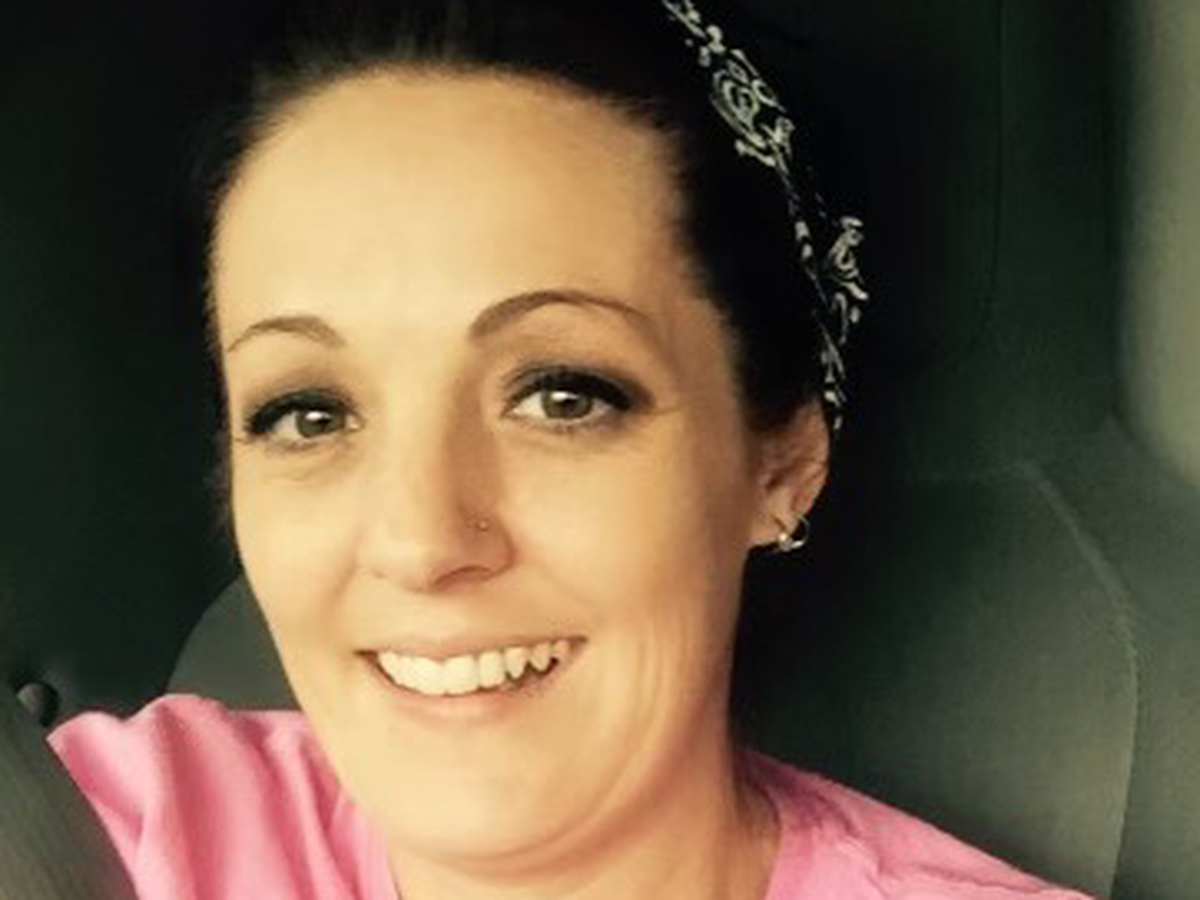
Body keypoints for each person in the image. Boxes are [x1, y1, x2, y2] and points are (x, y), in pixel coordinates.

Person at [48, 0, 1098, 897]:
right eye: (309, 415)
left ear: (779, 463)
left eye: (562, 397)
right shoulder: (104, 833)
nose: (420, 542)